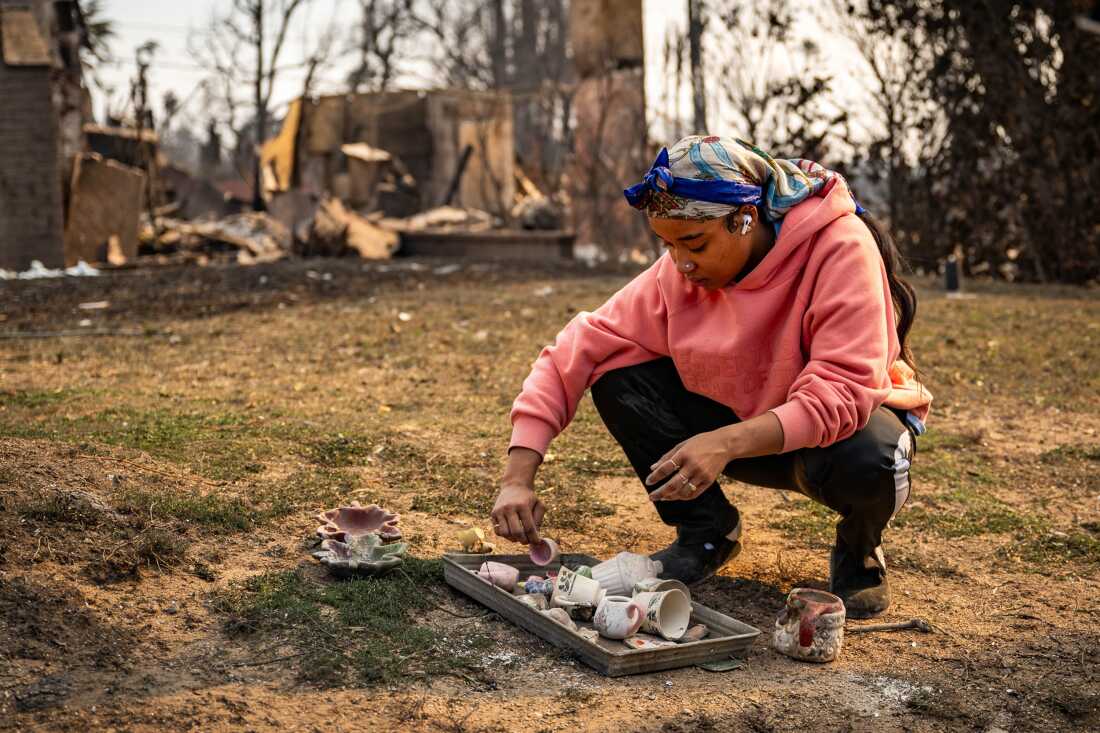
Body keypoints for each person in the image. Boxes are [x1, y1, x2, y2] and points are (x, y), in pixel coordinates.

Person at [489, 135, 932, 618]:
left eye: (694, 243)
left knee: (874, 458)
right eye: (668, 244)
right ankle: (705, 532)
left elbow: (843, 392)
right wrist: (517, 478)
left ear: (744, 219)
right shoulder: (677, 275)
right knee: (619, 377)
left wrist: (724, 443)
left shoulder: (839, 246)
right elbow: (574, 350)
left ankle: (859, 553)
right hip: (743, 431)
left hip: (832, 443)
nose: (681, 263)